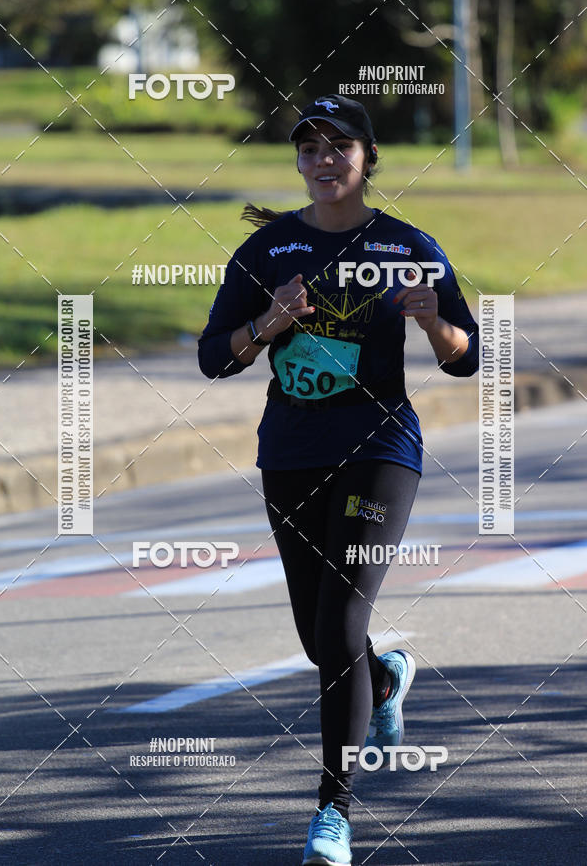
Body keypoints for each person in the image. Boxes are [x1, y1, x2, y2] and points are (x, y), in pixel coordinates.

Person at [198, 93, 479, 866]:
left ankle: (335, 811)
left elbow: (468, 354)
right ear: (299, 161)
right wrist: (268, 324)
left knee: (340, 627)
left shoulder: (406, 245)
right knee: (321, 640)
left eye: (340, 147)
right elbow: (215, 357)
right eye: (310, 148)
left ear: (367, 159)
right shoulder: (269, 251)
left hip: (380, 450)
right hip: (289, 454)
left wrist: (431, 320)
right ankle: (383, 682)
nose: (324, 160)